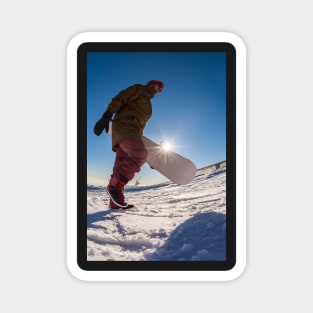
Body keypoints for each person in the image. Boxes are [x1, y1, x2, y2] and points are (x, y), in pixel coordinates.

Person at [94, 80, 164, 209]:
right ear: (150, 84)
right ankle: (114, 186)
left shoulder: (148, 104)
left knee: (120, 166)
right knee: (140, 154)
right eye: (157, 85)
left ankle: (115, 203)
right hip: (124, 128)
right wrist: (107, 114)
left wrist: (151, 158)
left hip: (132, 133)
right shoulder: (139, 89)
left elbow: (140, 127)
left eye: (160, 89)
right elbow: (121, 97)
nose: (158, 89)